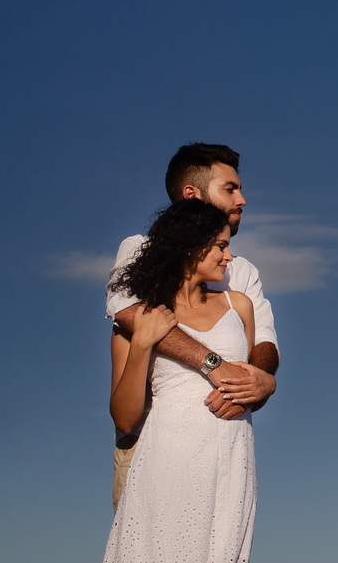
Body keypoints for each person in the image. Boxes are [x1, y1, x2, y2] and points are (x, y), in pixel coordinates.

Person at [106, 143, 279, 511]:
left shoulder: (243, 274)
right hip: (149, 446)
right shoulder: (139, 251)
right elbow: (130, 315)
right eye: (230, 188)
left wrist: (260, 384)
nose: (243, 199)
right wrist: (213, 365)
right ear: (192, 194)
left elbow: (264, 346)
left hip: (226, 447)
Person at [104, 200, 257, 562]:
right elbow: (125, 419)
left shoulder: (240, 306)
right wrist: (143, 341)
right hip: (167, 464)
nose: (229, 256)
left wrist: (262, 387)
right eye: (220, 245)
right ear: (189, 245)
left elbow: (250, 381)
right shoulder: (142, 316)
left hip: (232, 463)